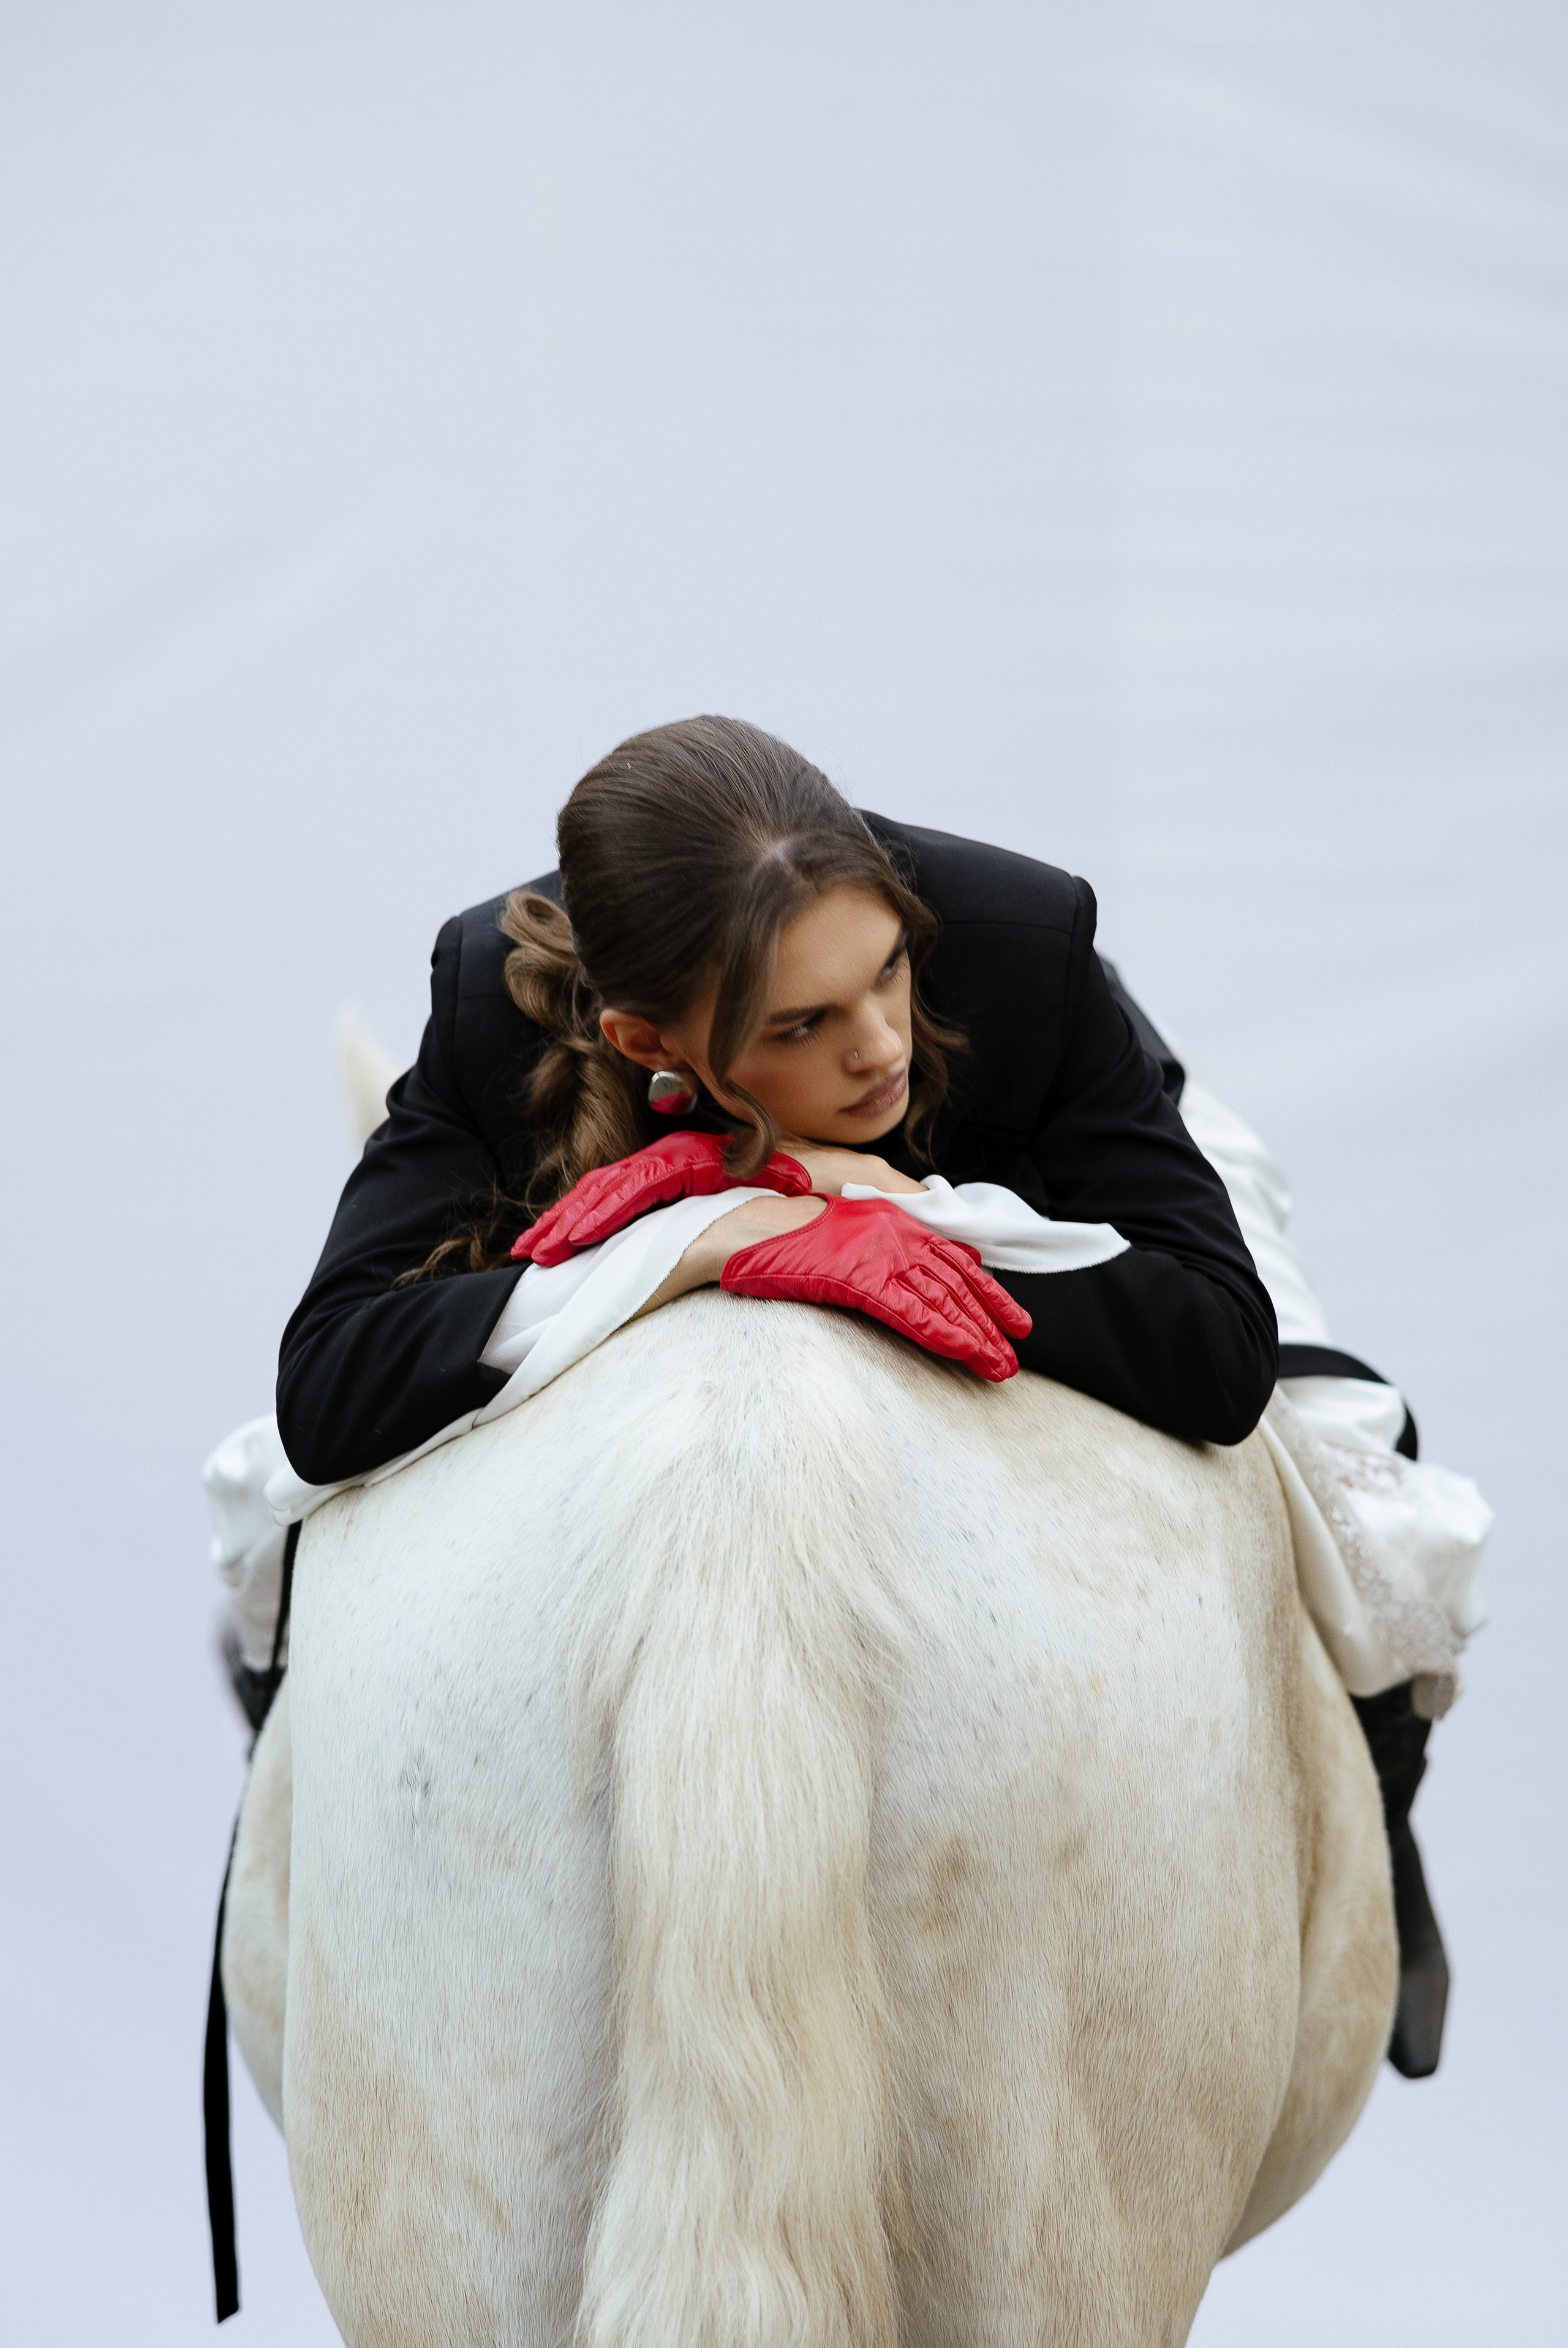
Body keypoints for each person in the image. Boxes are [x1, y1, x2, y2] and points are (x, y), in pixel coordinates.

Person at [267, 713, 1483, 2075]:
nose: (878, 1048)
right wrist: (702, 1239)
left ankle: (1378, 1837)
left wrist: (900, 1208)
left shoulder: (1023, 938)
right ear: (641, 1036)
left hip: (1068, 1159)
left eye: (886, 972)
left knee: (1356, 1451)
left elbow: (1213, 1353)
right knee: (264, 1505)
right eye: (802, 1025)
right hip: (677, 1195)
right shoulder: (491, 995)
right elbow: (323, 1389)